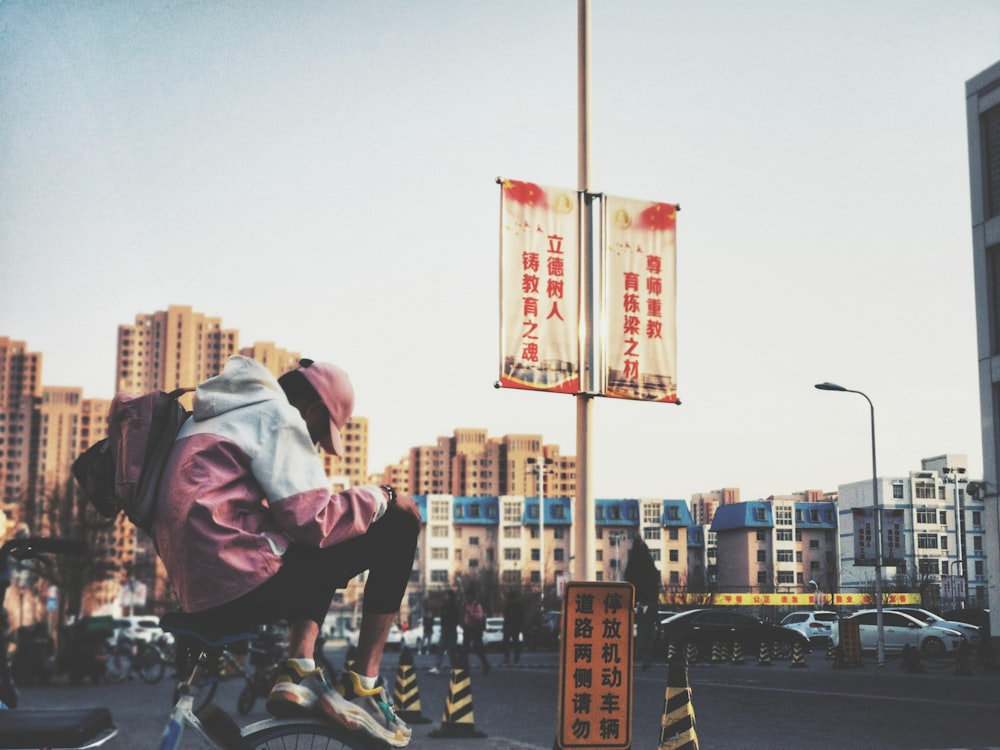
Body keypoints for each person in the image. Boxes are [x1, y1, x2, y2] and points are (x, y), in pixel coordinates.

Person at [152, 355, 421, 747]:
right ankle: (363, 685)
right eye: (319, 433)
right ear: (310, 410)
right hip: (240, 582)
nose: (314, 445)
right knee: (399, 524)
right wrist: (386, 494)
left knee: (300, 536)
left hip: (202, 589)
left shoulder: (210, 417)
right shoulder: (277, 415)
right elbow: (315, 521)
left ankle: (299, 669)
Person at [624, 536, 661, 672]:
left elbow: (657, 619)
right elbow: (636, 618)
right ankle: (645, 660)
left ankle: (647, 661)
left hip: (649, 631)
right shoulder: (640, 608)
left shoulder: (651, 608)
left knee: (647, 646)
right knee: (641, 646)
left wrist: (659, 628)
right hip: (641, 631)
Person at [461, 588, 491, 673]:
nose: (467, 598)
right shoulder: (465, 604)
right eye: (466, 596)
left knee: (478, 648)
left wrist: (472, 614)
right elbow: (463, 615)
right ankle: (465, 667)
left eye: (469, 596)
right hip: (467, 628)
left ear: (473, 596)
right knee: (465, 648)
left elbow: (480, 616)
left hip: (476, 628)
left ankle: (486, 665)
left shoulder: (477, 605)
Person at [430, 589, 459, 675]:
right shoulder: (443, 607)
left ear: (450, 597)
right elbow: (442, 619)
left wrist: (450, 626)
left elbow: (456, 620)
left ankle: (454, 667)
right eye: (444, 595)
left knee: (452, 650)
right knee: (440, 648)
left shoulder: (455, 607)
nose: (445, 597)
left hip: (452, 630)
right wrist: (443, 627)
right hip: (444, 630)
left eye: (446, 595)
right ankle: (437, 667)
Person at [501, 590, 525, 666]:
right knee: (516, 644)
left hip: (508, 626)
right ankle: (516, 660)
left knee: (506, 643)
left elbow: (506, 617)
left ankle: (507, 659)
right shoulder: (519, 605)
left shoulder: (508, 605)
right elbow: (522, 617)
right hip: (516, 626)